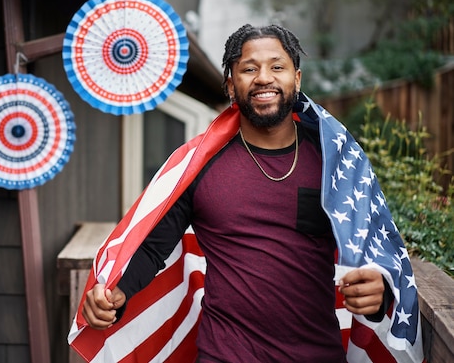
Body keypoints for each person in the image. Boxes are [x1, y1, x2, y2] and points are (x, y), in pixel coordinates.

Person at [72, 24, 423, 363]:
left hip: (319, 354)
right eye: (249, 68)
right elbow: (151, 247)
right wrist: (116, 292)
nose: (264, 78)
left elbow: (374, 250)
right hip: (225, 354)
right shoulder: (198, 165)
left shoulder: (336, 163)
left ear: (296, 79)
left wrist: (381, 294)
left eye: (277, 67)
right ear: (231, 84)